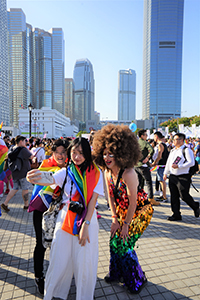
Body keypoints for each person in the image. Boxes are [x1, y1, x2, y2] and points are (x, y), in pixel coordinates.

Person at [27, 137, 103, 300]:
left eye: (81, 153)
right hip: (65, 219)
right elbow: (50, 178)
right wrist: (33, 176)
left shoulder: (96, 173)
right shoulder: (68, 171)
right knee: (58, 258)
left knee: (84, 261)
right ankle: (54, 293)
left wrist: (85, 226)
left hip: (87, 221)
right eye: (74, 153)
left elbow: (92, 203)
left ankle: (84, 296)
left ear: (87, 154)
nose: (77, 157)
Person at [92, 124, 147, 294]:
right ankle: (116, 273)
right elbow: (110, 197)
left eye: (111, 153)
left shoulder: (129, 173)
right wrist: (114, 219)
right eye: (105, 153)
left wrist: (125, 225)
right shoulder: (107, 171)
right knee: (113, 241)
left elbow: (134, 203)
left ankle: (137, 279)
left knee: (125, 243)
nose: (107, 157)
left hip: (139, 211)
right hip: (122, 210)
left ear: (122, 153)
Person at [28, 139, 69, 295]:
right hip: (41, 211)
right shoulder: (46, 165)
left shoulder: (71, 169)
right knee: (41, 244)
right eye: (57, 152)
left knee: (59, 246)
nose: (60, 155)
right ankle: (39, 276)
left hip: (60, 213)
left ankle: (58, 277)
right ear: (52, 153)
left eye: (63, 152)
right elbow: (36, 183)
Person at [163, 133, 199, 221]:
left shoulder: (187, 150)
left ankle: (195, 206)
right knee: (174, 196)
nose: (174, 141)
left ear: (182, 140)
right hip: (173, 176)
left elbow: (191, 163)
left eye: (176, 139)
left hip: (183, 176)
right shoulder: (172, 151)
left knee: (184, 195)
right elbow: (168, 162)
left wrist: (179, 166)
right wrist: (165, 173)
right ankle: (176, 214)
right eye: (173, 139)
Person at [1, 135, 33, 212]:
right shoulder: (23, 149)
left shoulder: (11, 148)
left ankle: (5, 203)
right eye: (25, 141)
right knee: (25, 188)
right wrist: (26, 148)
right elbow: (31, 156)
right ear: (21, 141)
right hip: (23, 172)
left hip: (15, 172)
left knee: (15, 188)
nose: (26, 142)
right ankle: (26, 205)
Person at [135, 129, 160, 206]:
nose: (147, 136)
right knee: (148, 182)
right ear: (142, 136)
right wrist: (148, 158)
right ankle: (151, 198)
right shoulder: (145, 143)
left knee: (138, 182)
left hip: (136, 165)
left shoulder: (135, 143)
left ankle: (138, 197)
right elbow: (151, 150)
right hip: (143, 165)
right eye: (146, 135)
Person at [151, 131, 169, 202]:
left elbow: (159, 155)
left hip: (161, 165)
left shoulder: (160, 145)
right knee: (161, 180)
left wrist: (154, 163)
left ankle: (164, 197)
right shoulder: (164, 144)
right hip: (163, 165)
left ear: (156, 137)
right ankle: (163, 196)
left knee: (162, 181)